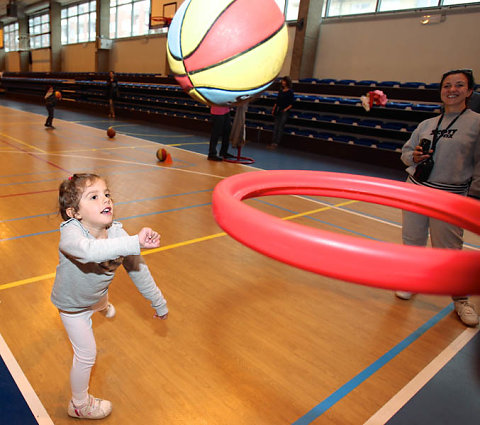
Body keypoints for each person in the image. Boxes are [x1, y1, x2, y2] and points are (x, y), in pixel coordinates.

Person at [51, 173, 168, 419]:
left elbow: (140, 272)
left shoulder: (117, 235)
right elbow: (89, 253)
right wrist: (134, 242)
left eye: (106, 194)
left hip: (96, 294)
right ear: (75, 213)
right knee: (87, 354)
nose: (105, 200)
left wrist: (159, 302)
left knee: (101, 296)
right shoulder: (71, 233)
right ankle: (79, 405)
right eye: (93, 197)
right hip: (72, 306)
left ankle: (103, 306)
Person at [396, 69, 480, 327]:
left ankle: (461, 299)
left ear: (469, 91)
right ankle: (411, 281)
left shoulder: (477, 123)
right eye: (447, 85)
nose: (451, 90)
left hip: (451, 196)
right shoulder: (427, 124)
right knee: (412, 240)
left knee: (449, 252)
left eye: (458, 85)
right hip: (418, 189)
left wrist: (473, 197)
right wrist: (415, 158)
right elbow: (406, 154)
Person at [268, 76, 295, 149]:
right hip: (278, 110)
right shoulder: (280, 91)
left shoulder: (290, 92)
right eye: (282, 81)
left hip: (284, 111)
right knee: (276, 126)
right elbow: (277, 101)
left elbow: (291, 103)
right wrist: (274, 109)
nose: (283, 82)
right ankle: (273, 142)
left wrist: (286, 109)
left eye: (284, 81)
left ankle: (276, 143)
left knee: (280, 127)